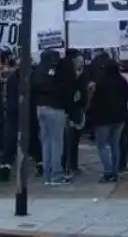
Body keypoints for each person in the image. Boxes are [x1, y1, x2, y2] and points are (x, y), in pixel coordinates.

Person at [87, 54, 128, 182]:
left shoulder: (100, 82)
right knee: (114, 144)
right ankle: (115, 171)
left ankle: (108, 171)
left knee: (102, 145)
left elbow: (94, 100)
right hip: (119, 117)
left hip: (103, 119)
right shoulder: (122, 81)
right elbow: (127, 97)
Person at [34, 49, 73, 186]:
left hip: (40, 108)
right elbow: (65, 89)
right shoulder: (58, 70)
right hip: (56, 108)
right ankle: (56, 175)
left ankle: (47, 174)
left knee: (46, 143)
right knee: (57, 143)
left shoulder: (39, 70)